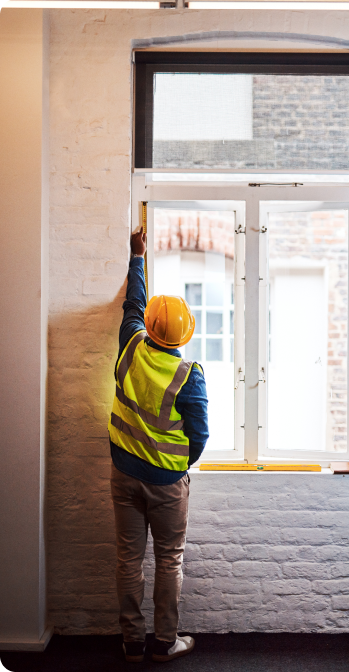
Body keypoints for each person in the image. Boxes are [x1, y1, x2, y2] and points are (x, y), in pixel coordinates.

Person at [108, 230, 209, 663]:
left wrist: (137, 257)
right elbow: (200, 433)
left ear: (148, 328)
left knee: (129, 559)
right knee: (169, 560)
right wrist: (179, 466)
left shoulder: (130, 346)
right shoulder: (189, 374)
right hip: (168, 483)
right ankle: (164, 644)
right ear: (183, 335)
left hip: (124, 474)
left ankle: (132, 643)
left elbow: (133, 303)